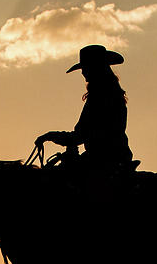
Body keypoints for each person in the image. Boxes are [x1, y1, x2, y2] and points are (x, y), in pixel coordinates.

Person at [35, 44, 137, 177]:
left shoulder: (99, 98)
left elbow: (80, 135)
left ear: (95, 69)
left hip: (101, 160)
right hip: (118, 157)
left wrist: (50, 136)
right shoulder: (113, 95)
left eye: (86, 68)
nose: (83, 72)